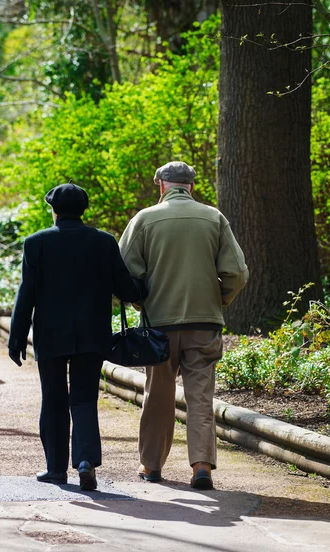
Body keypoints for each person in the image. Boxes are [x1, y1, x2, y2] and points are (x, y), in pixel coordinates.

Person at [119, 161, 248, 490]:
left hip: (159, 325)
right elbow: (237, 272)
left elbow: (124, 274)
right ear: (192, 186)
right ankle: (201, 466)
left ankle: (151, 466)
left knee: (158, 395)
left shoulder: (144, 219)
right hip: (204, 323)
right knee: (201, 397)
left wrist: (142, 304)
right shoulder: (214, 218)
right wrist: (219, 300)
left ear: (160, 184)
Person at [8, 182, 144, 491]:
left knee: (53, 400)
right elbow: (125, 290)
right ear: (84, 211)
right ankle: (85, 461)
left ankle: (56, 470)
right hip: (93, 336)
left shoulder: (36, 243)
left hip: (51, 336)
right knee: (84, 398)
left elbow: (25, 295)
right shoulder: (103, 242)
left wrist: (16, 339)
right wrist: (143, 287)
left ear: (53, 210)